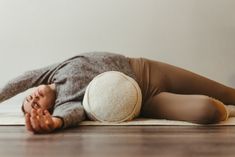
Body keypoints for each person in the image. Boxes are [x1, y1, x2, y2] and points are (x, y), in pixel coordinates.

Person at [0, 52, 235, 134]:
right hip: (145, 101)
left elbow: (21, 80)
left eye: (28, 97)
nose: (30, 100)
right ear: (47, 110)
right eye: (31, 107)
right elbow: (70, 113)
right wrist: (56, 122)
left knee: (229, 93)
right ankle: (226, 111)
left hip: (147, 69)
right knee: (208, 111)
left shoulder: (52, 71)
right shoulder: (67, 101)